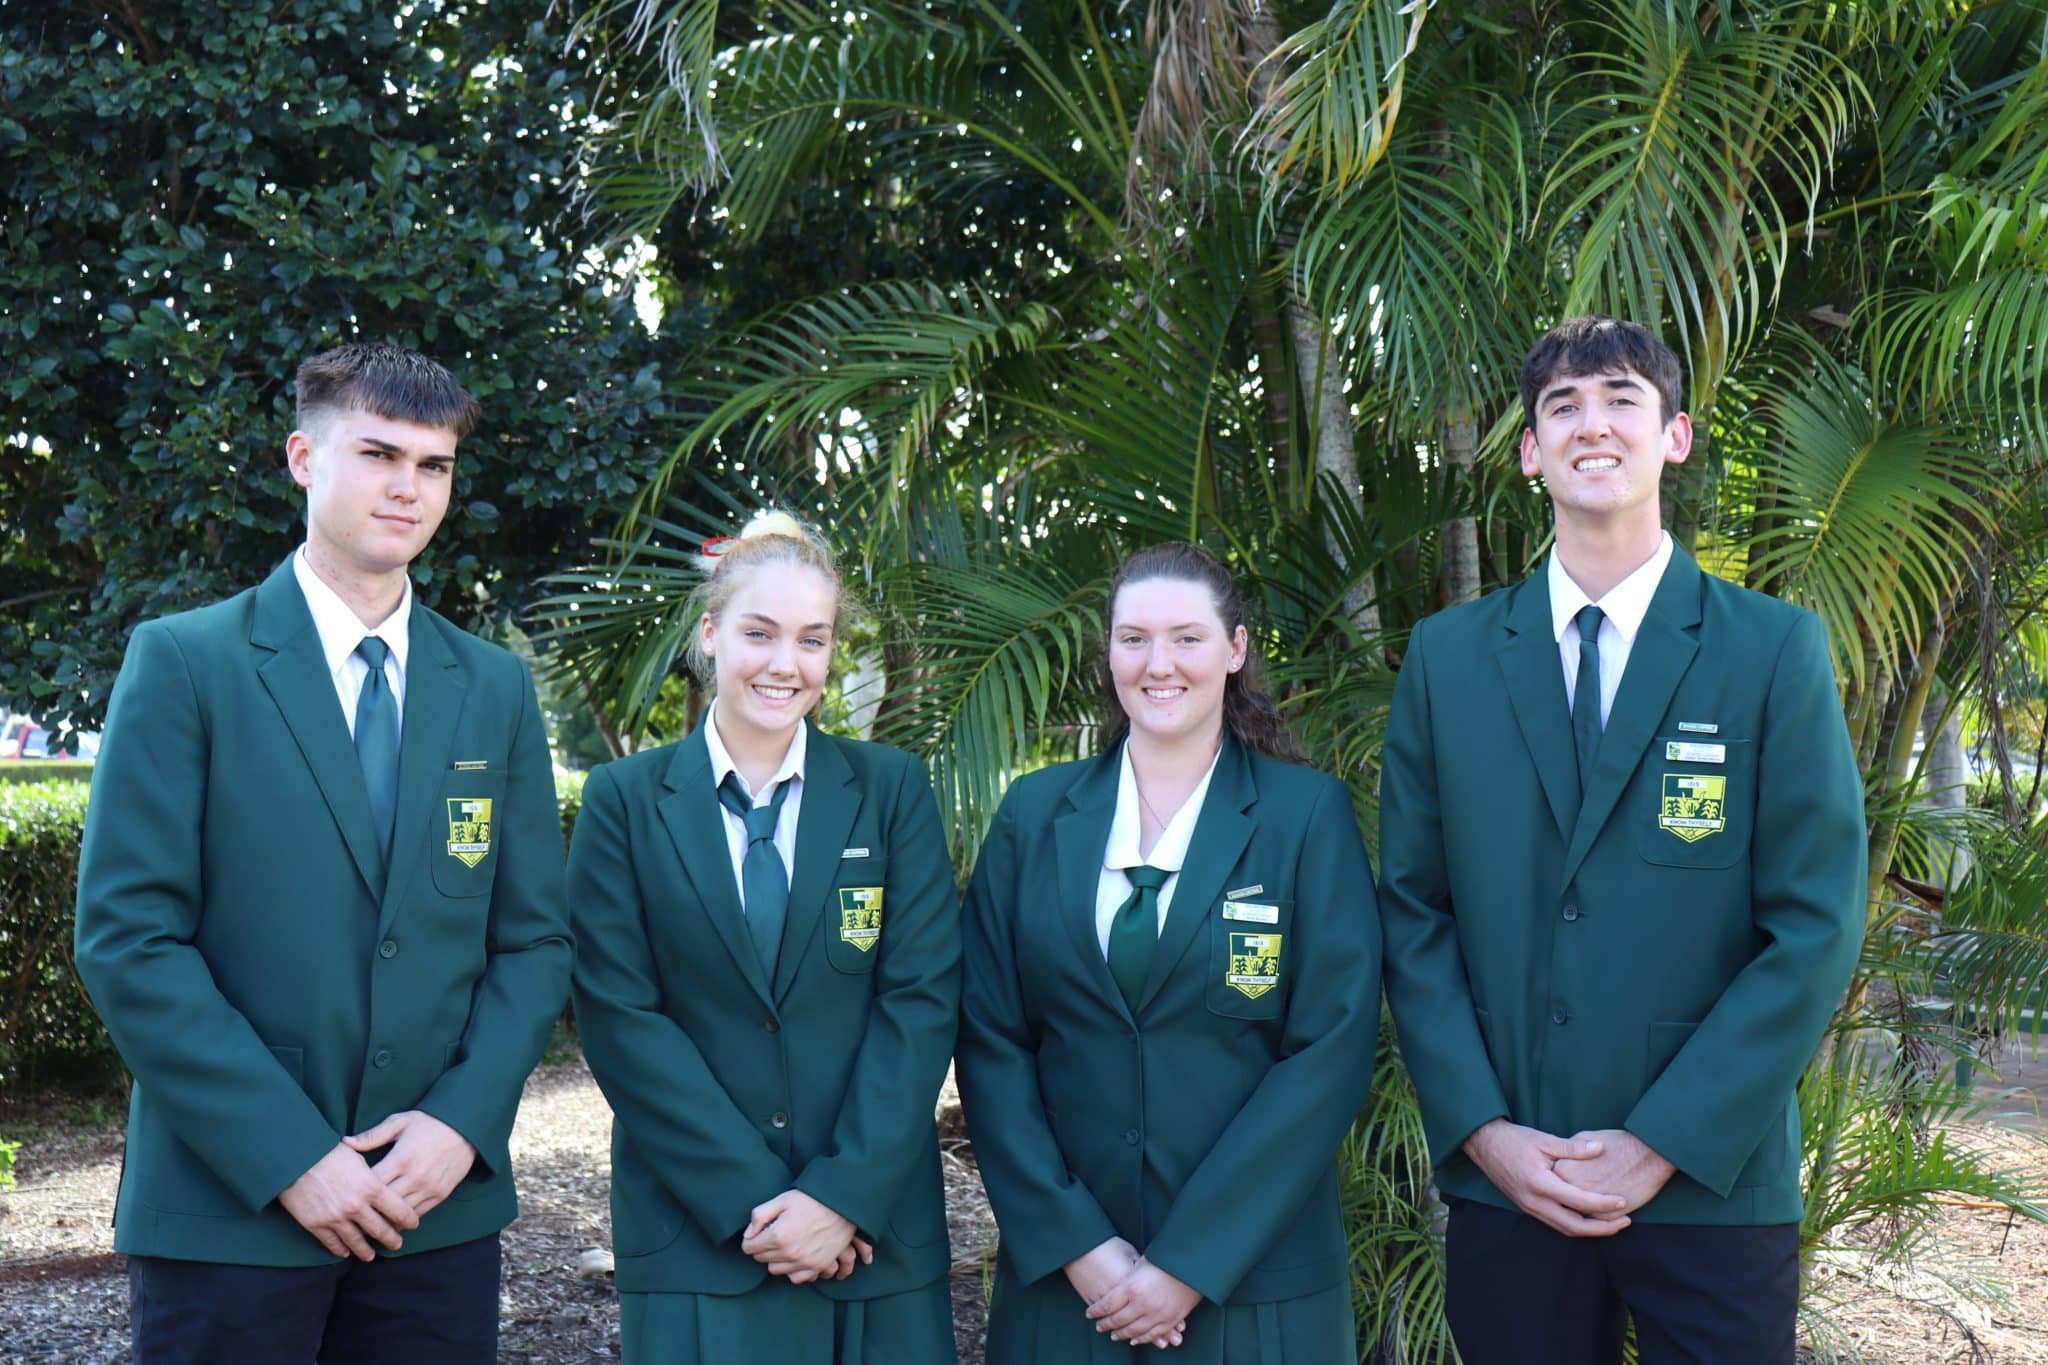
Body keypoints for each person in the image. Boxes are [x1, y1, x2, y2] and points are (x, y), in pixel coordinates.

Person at [1379, 316, 1867, 1363]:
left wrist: (1662, 1141)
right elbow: (1411, 913)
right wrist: (1480, 1130)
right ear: (1527, 451)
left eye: (1618, 399)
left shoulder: (1771, 650)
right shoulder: (1447, 659)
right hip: (1516, 1176)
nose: (1589, 425)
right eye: (1560, 406)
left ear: (1674, 436)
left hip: (1709, 1179)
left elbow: (1814, 921)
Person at [73, 342, 572, 1362]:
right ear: (302, 457)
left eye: (433, 466)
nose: (408, 488)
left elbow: (532, 944)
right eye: (379, 454)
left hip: (433, 1207)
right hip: (230, 1208)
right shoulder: (185, 662)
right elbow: (129, 940)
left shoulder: (493, 687)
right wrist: (292, 1154)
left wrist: (458, 1126)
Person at [957, 541, 1382, 1363]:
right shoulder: (1033, 815)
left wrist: (1189, 1262)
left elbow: (1327, 1052)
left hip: (1255, 1290)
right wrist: (1082, 1245)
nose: (1160, 664)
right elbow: (990, 1041)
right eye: (1133, 638)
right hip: (1068, 1292)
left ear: (1235, 650)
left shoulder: (1305, 817)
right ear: (1109, 651)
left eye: (1187, 637)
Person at [566, 511, 960, 1365]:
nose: (786, 664)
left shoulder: (890, 791)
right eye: (760, 632)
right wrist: (762, 1206)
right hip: (698, 1238)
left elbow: (921, 1001)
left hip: (872, 1237)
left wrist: (841, 1195)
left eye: (812, 640)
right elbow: (620, 1016)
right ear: (709, 633)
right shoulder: (623, 802)